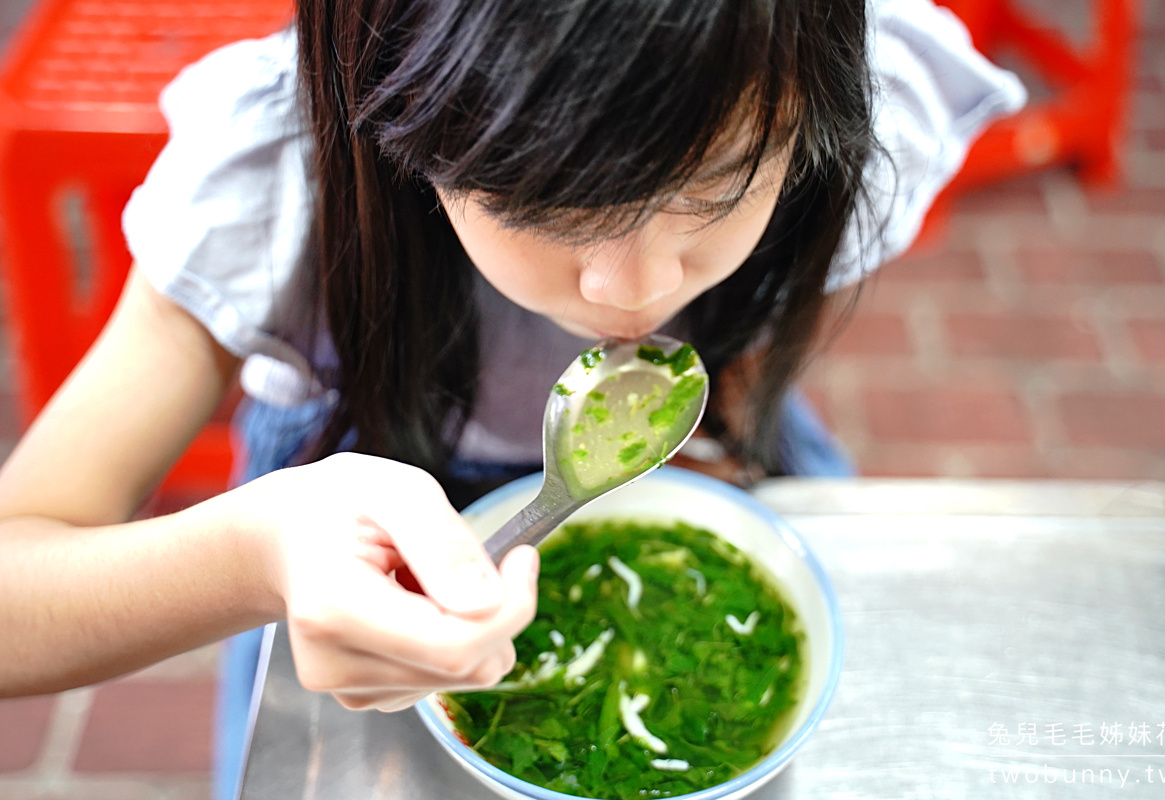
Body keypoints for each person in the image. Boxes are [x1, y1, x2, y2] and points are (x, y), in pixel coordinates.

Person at [0, 0, 1023, 796]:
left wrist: (730, 415)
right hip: (338, 561)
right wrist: (259, 552)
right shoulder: (282, 185)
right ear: (396, 100)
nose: (636, 291)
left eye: (714, 188)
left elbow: (771, 315)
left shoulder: (828, 78)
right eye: (544, 203)